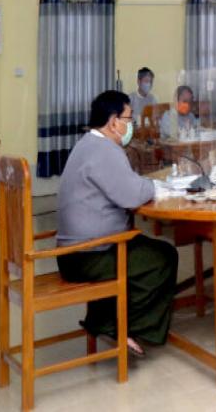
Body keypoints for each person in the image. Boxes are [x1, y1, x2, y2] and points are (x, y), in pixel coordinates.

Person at [56, 90, 178, 357]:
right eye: (128, 119)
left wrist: (146, 185)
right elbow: (131, 195)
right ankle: (121, 326)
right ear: (113, 122)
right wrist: (157, 186)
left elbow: (124, 185)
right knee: (162, 258)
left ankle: (102, 319)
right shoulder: (104, 150)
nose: (131, 125)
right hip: (89, 255)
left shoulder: (88, 144)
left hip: (75, 251)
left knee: (141, 247)